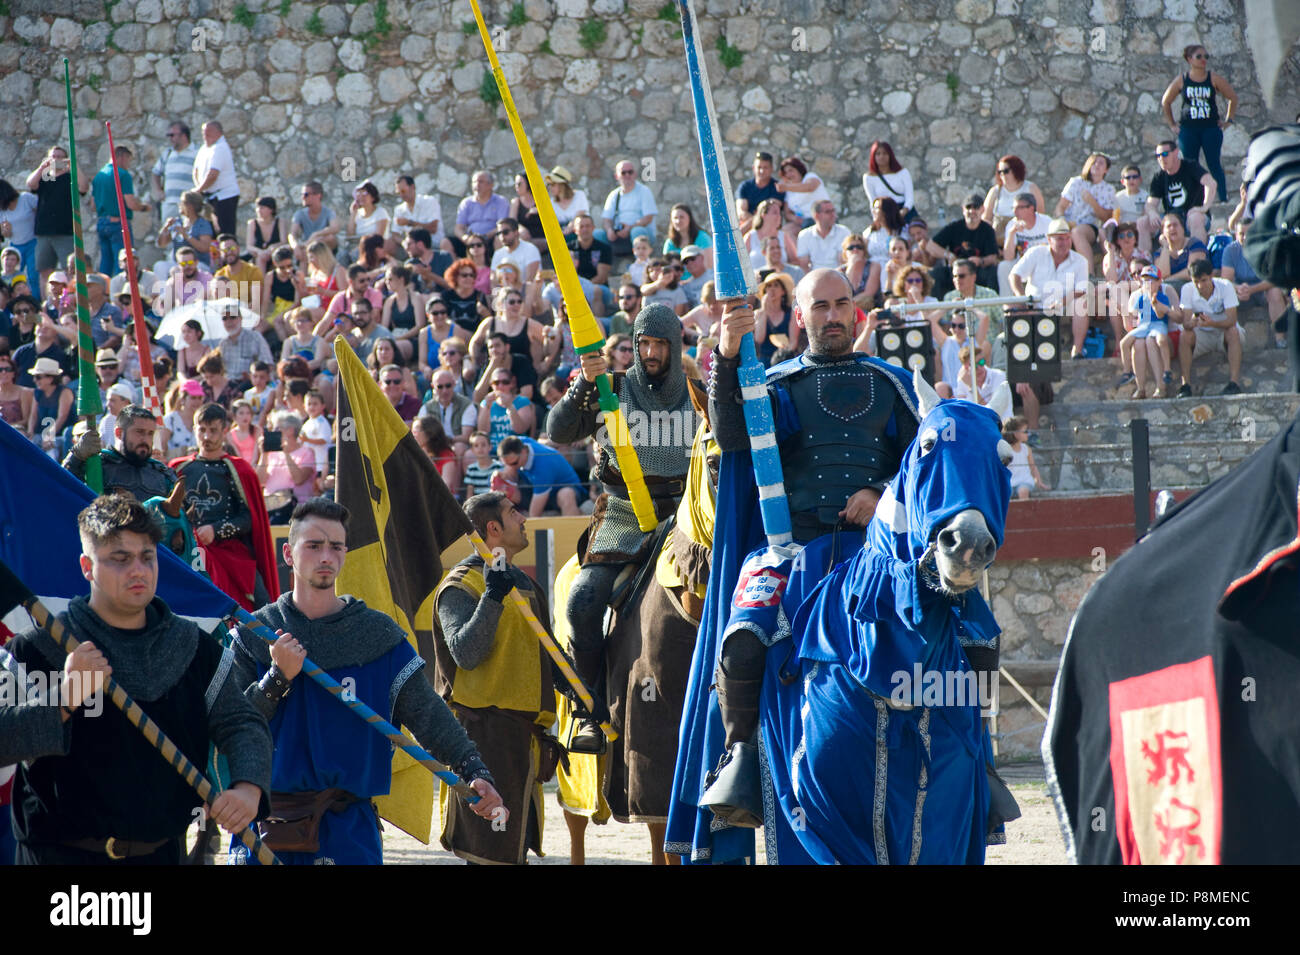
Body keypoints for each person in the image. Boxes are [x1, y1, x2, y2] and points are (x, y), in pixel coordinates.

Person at [701, 268, 920, 819]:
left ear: (856, 311)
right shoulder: (775, 385)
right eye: (818, 306)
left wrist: (880, 490)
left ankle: (974, 763)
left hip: (880, 552)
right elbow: (731, 439)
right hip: (792, 550)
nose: (831, 316)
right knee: (744, 640)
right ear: (799, 315)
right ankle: (743, 758)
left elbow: (927, 467)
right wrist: (727, 357)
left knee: (967, 624)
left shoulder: (893, 383)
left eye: (841, 304)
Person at [225, 498, 502, 864]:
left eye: (335, 546)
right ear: (289, 554)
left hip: (347, 832)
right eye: (314, 546)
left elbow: (428, 715)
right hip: (265, 827)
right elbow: (230, 728)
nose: (326, 556)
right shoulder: (254, 634)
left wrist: (473, 770)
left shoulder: (377, 635)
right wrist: (277, 678)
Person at [0, 494, 272, 865]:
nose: (139, 570)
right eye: (120, 558)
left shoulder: (193, 649)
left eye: (147, 556)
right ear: (87, 566)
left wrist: (248, 787)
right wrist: (63, 698)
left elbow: (242, 723)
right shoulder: (37, 649)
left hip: (161, 855)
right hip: (59, 862)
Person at [546, 303, 696, 752]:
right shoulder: (610, 389)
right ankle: (587, 710)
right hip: (623, 512)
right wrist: (582, 386)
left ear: (674, 346)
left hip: (684, 514)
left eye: (659, 345)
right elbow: (558, 431)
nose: (650, 353)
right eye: (643, 344)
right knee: (582, 601)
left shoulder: (695, 392)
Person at [433, 492, 558, 864]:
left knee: (514, 852)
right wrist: (491, 596)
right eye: (513, 512)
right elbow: (466, 654)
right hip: (483, 737)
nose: (524, 519)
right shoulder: (460, 586)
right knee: (488, 855)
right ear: (492, 527)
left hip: (524, 738)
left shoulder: (526, 584)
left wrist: (584, 695)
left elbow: (546, 655)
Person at [170, 402, 279, 611]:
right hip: (189, 550)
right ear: (194, 430)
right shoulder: (178, 468)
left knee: (262, 602)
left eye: (213, 430)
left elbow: (249, 519)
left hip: (232, 553)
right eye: (202, 430)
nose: (207, 437)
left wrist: (216, 530)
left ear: (225, 431)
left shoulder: (239, 470)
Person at [1161, 44, 1236, 205]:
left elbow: (1232, 97)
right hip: (1189, 130)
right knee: (1190, 164)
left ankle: (1222, 198)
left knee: (1213, 163)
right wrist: (1172, 125)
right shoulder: (1182, 79)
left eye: (1205, 57)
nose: (1203, 60)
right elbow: (1166, 101)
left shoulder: (1213, 78)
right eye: (1199, 56)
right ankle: (1193, 200)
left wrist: (1228, 120)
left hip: (1210, 128)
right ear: (1189, 59)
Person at [64, 403, 179, 502]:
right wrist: (76, 455)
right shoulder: (96, 464)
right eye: (139, 432)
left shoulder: (162, 473)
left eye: (150, 433)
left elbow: (182, 515)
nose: (145, 439)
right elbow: (61, 488)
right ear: (119, 433)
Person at [1176, 258, 1243, 396]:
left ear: (1212, 276)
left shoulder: (1226, 286)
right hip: (1201, 334)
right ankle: (1185, 386)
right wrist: (1192, 322)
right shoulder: (1187, 289)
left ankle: (1234, 383)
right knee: (1184, 335)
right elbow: (1186, 324)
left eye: (1204, 280)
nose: (1200, 285)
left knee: (1233, 331)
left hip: (1223, 333)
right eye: (1196, 281)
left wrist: (1211, 323)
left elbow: (1232, 319)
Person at [26, 145, 89, 289]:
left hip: (65, 231)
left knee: (70, 270)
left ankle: (70, 299)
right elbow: (30, 183)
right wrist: (42, 167)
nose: (56, 160)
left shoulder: (70, 178)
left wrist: (73, 165)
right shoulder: (44, 177)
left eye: (60, 157)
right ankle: (47, 303)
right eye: (53, 156)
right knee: (44, 271)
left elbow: (84, 187)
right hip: (44, 232)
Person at [1120, 265, 1179, 399]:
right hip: (1144, 327)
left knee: (1152, 341)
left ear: (1159, 281)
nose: (1148, 284)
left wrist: (1156, 304)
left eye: (1151, 280)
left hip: (1161, 329)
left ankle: (1161, 384)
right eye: (1145, 280)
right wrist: (1123, 312)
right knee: (1135, 344)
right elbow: (1133, 320)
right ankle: (1137, 383)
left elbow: (1165, 316)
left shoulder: (1164, 293)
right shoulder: (1139, 296)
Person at [92, 145, 151, 276]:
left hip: (102, 223)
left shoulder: (99, 176)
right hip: (118, 224)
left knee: (105, 262)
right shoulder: (123, 175)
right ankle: (124, 292)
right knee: (124, 261)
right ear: (122, 157)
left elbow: (93, 205)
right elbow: (130, 203)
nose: (129, 164)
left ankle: (104, 291)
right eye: (129, 160)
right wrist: (144, 207)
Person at [1142, 141, 1215, 245]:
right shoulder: (1159, 177)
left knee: (1195, 218)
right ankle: (1145, 259)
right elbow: (1150, 204)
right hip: (1171, 218)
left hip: (1192, 216)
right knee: (1142, 222)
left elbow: (1211, 183)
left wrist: (1204, 207)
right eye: (1158, 156)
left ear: (1176, 152)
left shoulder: (1190, 166)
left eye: (1165, 154)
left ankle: (1198, 257)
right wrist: (1152, 213)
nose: (1161, 158)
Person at [927, 193, 1001, 295]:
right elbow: (930, 246)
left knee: (993, 273)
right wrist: (948, 255)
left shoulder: (987, 230)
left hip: (976, 271)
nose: (972, 211)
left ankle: (992, 303)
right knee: (935, 274)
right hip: (956, 270)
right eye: (968, 207)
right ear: (963, 210)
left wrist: (980, 261)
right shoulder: (954, 227)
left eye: (976, 207)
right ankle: (938, 307)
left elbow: (993, 257)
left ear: (982, 209)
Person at [497, 434, 585, 516]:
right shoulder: (517, 442)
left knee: (566, 494)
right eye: (506, 464)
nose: (510, 467)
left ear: (524, 451)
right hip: (536, 487)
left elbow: (534, 514)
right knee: (504, 487)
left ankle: (572, 530)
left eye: (514, 463)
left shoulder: (543, 465)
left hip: (567, 490)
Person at [1055, 153, 1117, 264]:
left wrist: (1093, 203)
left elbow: (1106, 217)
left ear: (1106, 170)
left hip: (1089, 227)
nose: (1096, 165)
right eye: (1094, 162)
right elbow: (1061, 206)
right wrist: (1061, 220)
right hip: (1068, 222)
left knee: (1077, 232)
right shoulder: (1075, 182)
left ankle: (1089, 273)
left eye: (1101, 163)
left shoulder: (1108, 189)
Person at [982, 154, 1047, 239]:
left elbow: (1040, 215)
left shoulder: (1031, 188)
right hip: (999, 239)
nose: (1002, 175)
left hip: (1024, 236)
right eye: (999, 172)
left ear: (1016, 170)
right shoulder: (995, 191)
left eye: (1005, 171)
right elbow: (986, 218)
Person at [192, 121, 240, 236]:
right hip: (209, 197)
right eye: (204, 134)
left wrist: (199, 190)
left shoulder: (220, 148)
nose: (205, 137)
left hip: (224, 197)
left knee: (225, 233)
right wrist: (199, 189)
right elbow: (196, 171)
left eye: (208, 134)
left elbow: (213, 174)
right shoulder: (205, 148)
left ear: (217, 133)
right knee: (210, 232)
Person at [599, 160, 658, 250]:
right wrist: (610, 230)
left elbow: (648, 218)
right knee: (597, 235)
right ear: (616, 176)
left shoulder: (644, 191)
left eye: (630, 172)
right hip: (618, 234)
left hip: (639, 232)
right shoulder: (614, 195)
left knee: (637, 231)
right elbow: (606, 219)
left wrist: (629, 228)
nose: (627, 175)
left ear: (635, 174)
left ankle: (640, 261)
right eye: (623, 173)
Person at [453, 171, 511, 258]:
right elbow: (458, 228)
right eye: (474, 182)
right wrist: (465, 238)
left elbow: (502, 225)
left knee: (499, 239)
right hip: (470, 239)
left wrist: (486, 236)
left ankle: (499, 268)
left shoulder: (500, 201)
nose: (477, 185)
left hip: (490, 238)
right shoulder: (466, 203)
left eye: (481, 182)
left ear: (491, 185)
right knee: (446, 243)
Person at [26, 356, 73, 458]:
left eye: (38, 377)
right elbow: (33, 416)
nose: (34, 380)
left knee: (51, 450)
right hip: (40, 436)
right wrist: (30, 433)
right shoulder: (38, 393)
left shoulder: (65, 392)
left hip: (59, 436)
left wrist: (49, 436)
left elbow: (62, 416)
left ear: (50, 378)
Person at [157, 190, 217, 270]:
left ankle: (183, 282)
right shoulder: (178, 222)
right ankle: (177, 282)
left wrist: (185, 235)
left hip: (197, 264)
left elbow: (204, 248)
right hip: (179, 264)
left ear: (190, 206)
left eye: (182, 202)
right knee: (160, 266)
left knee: (184, 271)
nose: (179, 205)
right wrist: (165, 228)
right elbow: (162, 244)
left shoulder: (202, 223)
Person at [774, 155, 831, 235]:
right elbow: (787, 213)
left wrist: (786, 186)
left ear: (799, 170)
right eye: (786, 173)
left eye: (791, 170)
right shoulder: (789, 192)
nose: (789, 174)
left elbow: (809, 187)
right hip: (803, 222)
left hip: (822, 218)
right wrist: (795, 218)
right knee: (785, 232)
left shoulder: (810, 177)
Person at [289, 181, 340, 267]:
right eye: (301, 195)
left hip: (323, 247)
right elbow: (292, 234)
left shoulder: (328, 212)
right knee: (304, 252)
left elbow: (335, 228)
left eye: (306, 194)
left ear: (318, 195)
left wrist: (316, 234)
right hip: (306, 247)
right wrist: (295, 246)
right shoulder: (300, 214)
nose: (302, 198)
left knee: (330, 238)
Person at [861, 140, 915, 220]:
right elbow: (873, 200)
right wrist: (877, 217)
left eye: (885, 153)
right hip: (884, 214)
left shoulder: (903, 173)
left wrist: (903, 211)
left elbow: (909, 197)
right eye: (878, 154)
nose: (881, 156)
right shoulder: (869, 177)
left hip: (904, 212)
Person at [390, 175, 444, 253]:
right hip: (413, 249)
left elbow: (433, 228)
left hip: (434, 246)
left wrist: (409, 223)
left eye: (403, 191)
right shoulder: (399, 209)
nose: (401, 195)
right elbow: (395, 235)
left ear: (412, 187)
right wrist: (404, 243)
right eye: (399, 193)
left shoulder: (429, 201)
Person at [1003, 415, 1049, 500]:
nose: (1028, 434)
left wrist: (1038, 481)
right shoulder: (1005, 450)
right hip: (1009, 482)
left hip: (1024, 480)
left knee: (1023, 491)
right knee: (1005, 493)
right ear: (1015, 434)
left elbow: (1033, 466)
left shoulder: (1026, 449)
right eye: (1025, 431)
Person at [735, 151, 781, 234]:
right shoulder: (745, 186)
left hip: (769, 227)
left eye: (765, 167)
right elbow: (741, 213)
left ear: (771, 169)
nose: (762, 171)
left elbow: (774, 210)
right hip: (748, 225)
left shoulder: (777, 187)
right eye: (759, 167)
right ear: (753, 168)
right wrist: (757, 219)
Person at [160, 378, 205, 456]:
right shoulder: (170, 419)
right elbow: (162, 447)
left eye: (199, 398)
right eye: (193, 398)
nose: (197, 402)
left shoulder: (204, 420)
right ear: (183, 399)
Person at [490, 217, 541, 284]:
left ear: (516, 232)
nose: (502, 236)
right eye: (499, 233)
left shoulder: (530, 249)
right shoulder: (497, 253)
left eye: (505, 232)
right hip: (505, 293)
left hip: (528, 292)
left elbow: (530, 280)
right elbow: (493, 281)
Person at [246, 196, 287, 273]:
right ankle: (262, 283)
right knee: (261, 258)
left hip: (275, 253)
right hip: (259, 255)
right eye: (258, 208)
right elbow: (249, 246)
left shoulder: (280, 222)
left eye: (262, 208)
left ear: (271, 209)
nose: (259, 210)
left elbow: (284, 241)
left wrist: (273, 247)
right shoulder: (252, 223)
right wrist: (260, 252)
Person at [545, 166, 589, 234]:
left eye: (553, 184)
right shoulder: (552, 202)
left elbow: (581, 215)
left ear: (562, 185)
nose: (550, 187)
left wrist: (569, 228)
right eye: (549, 184)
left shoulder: (579, 195)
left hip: (580, 235)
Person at [0, 351, 33, 435]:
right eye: (0, 370)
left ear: (14, 373)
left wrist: (7, 427)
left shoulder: (24, 392)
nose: (4, 372)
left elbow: (26, 420)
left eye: (8, 369)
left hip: (16, 433)